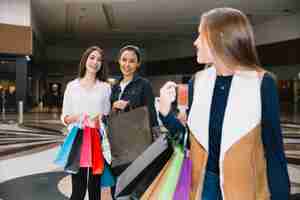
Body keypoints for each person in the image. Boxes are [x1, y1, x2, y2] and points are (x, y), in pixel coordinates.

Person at [159, 7, 290, 200]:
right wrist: (165, 113)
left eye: (200, 36)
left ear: (218, 38)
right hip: (204, 186)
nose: (195, 43)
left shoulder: (261, 83)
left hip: (243, 189)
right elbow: (189, 143)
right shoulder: (198, 82)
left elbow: (274, 152)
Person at [60, 46, 113, 200]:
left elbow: (107, 114)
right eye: (92, 57)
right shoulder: (72, 86)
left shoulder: (105, 88)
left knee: (95, 189)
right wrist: (75, 117)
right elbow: (64, 116)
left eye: (99, 60)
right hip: (77, 139)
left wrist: (100, 118)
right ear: (85, 60)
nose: (95, 62)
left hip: (96, 139)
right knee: (78, 190)